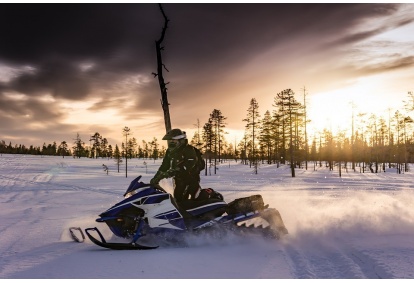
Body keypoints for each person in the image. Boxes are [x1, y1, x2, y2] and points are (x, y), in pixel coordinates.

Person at [150, 128, 204, 203]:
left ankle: (201, 212)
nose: (171, 142)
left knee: (193, 199)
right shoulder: (170, 151)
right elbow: (164, 166)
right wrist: (156, 178)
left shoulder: (188, 149)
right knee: (178, 200)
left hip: (190, 179)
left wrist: (173, 171)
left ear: (180, 140)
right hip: (178, 179)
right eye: (170, 140)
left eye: (173, 140)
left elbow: (189, 164)